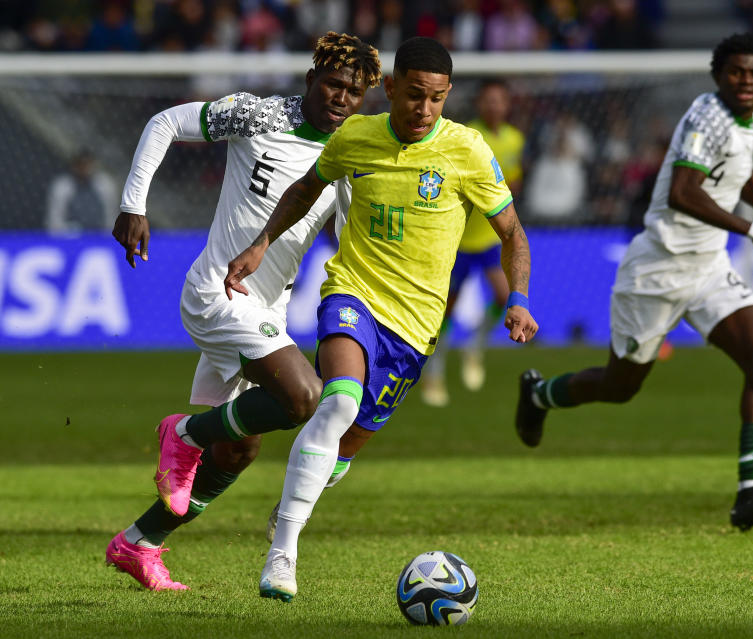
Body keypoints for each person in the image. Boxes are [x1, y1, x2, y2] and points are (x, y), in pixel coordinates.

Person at [209, 36, 537, 602]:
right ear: (390, 89)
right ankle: (282, 555)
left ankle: (294, 502)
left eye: (436, 99)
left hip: (415, 328)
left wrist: (518, 298)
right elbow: (305, 189)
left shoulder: (468, 151)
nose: (424, 110)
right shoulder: (356, 136)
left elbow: (512, 232)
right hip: (353, 295)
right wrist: (262, 242)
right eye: (413, 96)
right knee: (337, 401)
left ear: (448, 95)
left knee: (345, 445)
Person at [105, 32, 382, 592]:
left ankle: (140, 543)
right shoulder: (257, 114)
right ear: (310, 80)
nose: (341, 98)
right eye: (332, 84)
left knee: (237, 448)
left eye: (353, 92)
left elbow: (352, 236)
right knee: (302, 396)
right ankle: (181, 434)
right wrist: (134, 204)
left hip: (269, 306)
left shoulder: (348, 151)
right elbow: (164, 123)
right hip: (219, 291)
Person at [514, 33, 753, 532]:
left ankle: (750, 495)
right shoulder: (704, 116)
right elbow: (682, 192)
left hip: (708, 267)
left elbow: (741, 175)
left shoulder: (749, 121)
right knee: (619, 386)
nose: (746, 81)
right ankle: (539, 394)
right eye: (736, 72)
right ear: (719, 76)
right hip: (658, 267)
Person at [421, 78, 526, 406]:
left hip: (489, 239)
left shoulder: (514, 139)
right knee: (446, 311)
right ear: (480, 104)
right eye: (488, 100)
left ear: (507, 105)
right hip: (459, 242)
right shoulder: (468, 137)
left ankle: (474, 346)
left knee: (501, 296)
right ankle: (434, 374)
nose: (494, 106)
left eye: (500, 100)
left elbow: (514, 179)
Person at [45, 149, 117, 234]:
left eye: (87, 165)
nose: (84, 169)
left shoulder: (105, 184)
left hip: (99, 235)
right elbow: (54, 220)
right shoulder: (62, 186)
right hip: (70, 236)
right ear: (74, 166)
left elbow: (111, 217)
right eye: (80, 164)